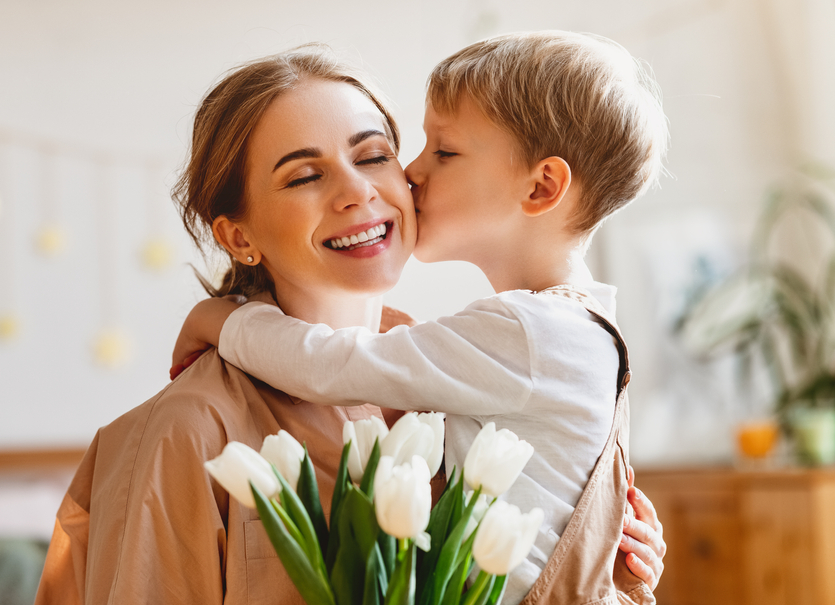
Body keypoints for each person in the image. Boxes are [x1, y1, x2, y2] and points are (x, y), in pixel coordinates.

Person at [34, 46, 664, 605]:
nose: (358, 191)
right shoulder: (189, 428)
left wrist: (611, 549)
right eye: (305, 175)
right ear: (238, 235)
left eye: (375, 156)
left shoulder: (451, 392)